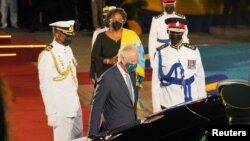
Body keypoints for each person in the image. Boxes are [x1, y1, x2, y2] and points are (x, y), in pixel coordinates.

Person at [38, 20, 83, 141]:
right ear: (57, 34)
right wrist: (51, 113)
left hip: (75, 105)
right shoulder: (48, 55)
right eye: (67, 35)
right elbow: (45, 86)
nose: (69, 38)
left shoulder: (68, 49)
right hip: (61, 109)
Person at [151, 17, 206, 113]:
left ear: (183, 32)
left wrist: (202, 98)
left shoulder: (192, 51)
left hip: (191, 99)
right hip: (168, 102)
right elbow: (155, 81)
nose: (175, 35)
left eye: (178, 33)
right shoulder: (161, 52)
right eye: (172, 32)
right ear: (167, 31)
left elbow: (199, 76)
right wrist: (156, 108)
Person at [88, 44, 139, 139]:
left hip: (132, 128)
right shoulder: (107, 78)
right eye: (132, 61)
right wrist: (93, 135)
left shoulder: (132, 73)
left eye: (137, 61)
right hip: (115, 132)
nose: (135, 65)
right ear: (122, 60)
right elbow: (97, 107)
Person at [90, 7, 145, 89]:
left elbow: (139, 55)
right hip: (106, 78)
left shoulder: (131, 35)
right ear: (109, 20)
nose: (117, 21)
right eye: (114, 19)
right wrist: (108, 61)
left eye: (120, 19)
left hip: (127, 78)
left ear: (123, 21)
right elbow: (95, 55)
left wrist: (126, 61)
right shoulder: (101, 36)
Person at [148, 0, 189, 67]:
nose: (169, 5)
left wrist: (187, 53)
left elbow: (185, 38)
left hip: (177, 50)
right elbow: (152, 40)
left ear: (175, 3)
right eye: (167, 3)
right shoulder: (156, 19)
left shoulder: (181, 18)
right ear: (163, 4)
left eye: (171, 3)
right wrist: (152, 61)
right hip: (162, 52)